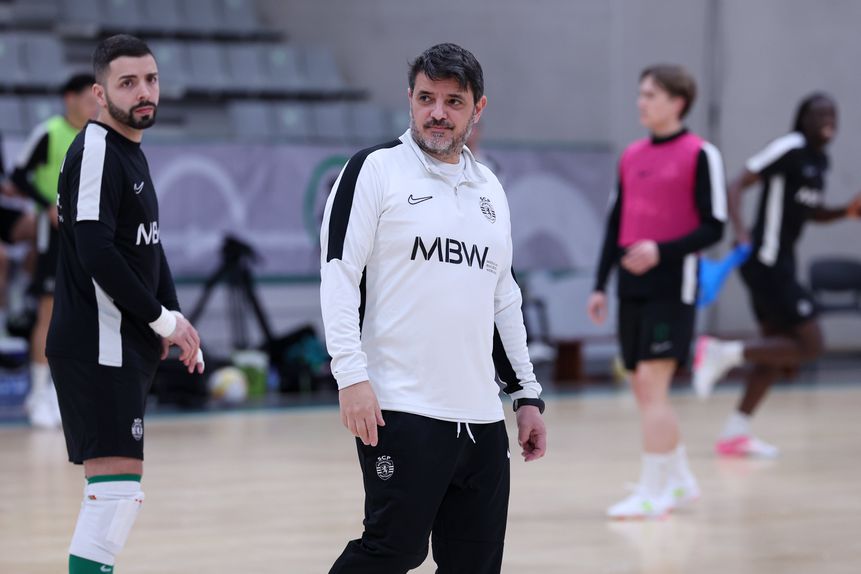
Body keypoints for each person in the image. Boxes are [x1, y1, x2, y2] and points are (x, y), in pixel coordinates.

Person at [320, 43, 546, 573]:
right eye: (426, 98)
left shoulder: (489, 187)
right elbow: (339, 276)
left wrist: (526, 394)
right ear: (411, 100)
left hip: (481, 420)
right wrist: (350, 376)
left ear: (478, 109)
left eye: (453, 101)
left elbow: (503, 298)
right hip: (401, 408)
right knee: (391, 551)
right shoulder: (373, 170)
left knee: (475, 565)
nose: (437, 113)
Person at [46, 35, 204, 574]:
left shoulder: (129, 151)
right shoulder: (95, 149)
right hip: (97, 343)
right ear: (99, 93)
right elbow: (95, 250)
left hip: (121, 342)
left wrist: (173, 316)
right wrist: (160, 317)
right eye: (128, 83)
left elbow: (147, 246)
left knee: (117, 497)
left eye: (151, 80)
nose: (144, 92)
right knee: (114, 499)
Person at [588, 64, 726, 519]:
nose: (641, 102)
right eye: (640, 93)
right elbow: (615, 224)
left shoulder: (701, 153)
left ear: (677, 101)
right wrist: (599, 284)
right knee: (646, 390)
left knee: (651, 382)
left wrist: (660, 251)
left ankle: (652, 491)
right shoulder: (631, 156)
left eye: (650, 95)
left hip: (673, 286)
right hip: (631, 287)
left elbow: (714, 227)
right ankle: (681, 481)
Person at [692, 93, 861, 458]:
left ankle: (735, 432)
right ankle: (721, 351)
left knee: (775, 352)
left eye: (832, 113)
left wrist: (845, 213)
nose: (827, 119)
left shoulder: (819, 161)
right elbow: (736, 184)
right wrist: (740, 231)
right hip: (765, 262)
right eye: (819, 114)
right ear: (803, 119)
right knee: (812, 344)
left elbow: (810, 214)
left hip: (780, 262)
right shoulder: (790, 147)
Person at [9, 73, 99, 428]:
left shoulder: (96, 136)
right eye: (88, 97)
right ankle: (39, 393)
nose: (94, 104)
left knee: (80, 316)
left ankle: (64, 392)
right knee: (49, 313)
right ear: (69, 98)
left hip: (87, 237)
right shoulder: (49, 132)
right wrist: (47, 205)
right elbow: (17, 177)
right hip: (54, 235)